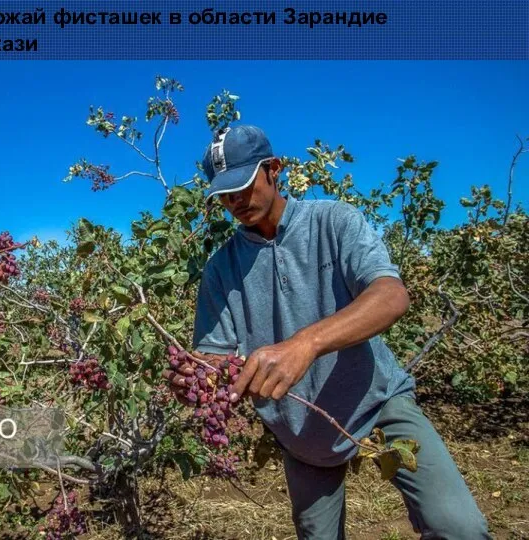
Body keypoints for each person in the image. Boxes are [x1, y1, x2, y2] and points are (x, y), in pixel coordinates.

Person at [163, 125, 491, 539]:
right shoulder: (220, 269)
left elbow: (390, 295)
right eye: (225, 194)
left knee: (458, 527)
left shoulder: (333, 221)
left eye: (244, 186)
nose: (236, 201)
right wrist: (197, 377)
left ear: (274, 169)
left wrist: (307, 343)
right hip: (301, 432)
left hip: (376, 401)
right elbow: (214, 355)